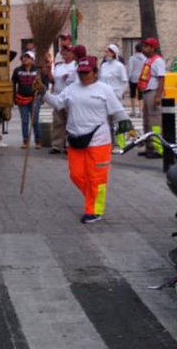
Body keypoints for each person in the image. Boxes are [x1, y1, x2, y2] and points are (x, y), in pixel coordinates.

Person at [42, 55, 133, 224]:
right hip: (75, 139)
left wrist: (128, 126)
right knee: (76, 175)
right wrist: (43, 93)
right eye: (81, 72)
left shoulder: (104, 90)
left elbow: (118, 111)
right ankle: (93, 198)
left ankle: (94, 211)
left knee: (96, 178)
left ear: (95, 72)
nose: (83, 75)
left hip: (99, 141)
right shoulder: (71, 89)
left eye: (87, 72)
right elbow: (57, 103)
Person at [50, 44, 84, 153]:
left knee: (70, 122)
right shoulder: (59, 66)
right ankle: (57, 145)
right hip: (58, 96)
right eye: (63, 52)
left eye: (67, 52)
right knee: (58, 122)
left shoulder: (76, 66)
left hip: (71, 97)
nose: (65, 54)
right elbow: (53, 80)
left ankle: (69, 144)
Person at [136, 37, 166, 157]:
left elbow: (162, 79)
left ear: (153, 48)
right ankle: (149, 146)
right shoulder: (148, 60)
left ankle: (157, 148)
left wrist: (158, 96)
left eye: (147, 46)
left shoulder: (158, 61)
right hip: (146, 92)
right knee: (147, 121)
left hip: (153, 92)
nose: (144, 49)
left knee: (155, 122)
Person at [100, 43, 129, 148]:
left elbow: (125, 82)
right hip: (104, 97)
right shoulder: (103, 66)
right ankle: (109, 143)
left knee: (118, 120)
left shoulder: (119, 66)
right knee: (107, 121)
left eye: (107, 52)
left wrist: (119, 94)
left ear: (113, 53)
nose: (105, 54)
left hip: (116, 96)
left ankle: (121, 144)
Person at [12, 51, 44, 148]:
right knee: (24, 121)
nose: (25, 59)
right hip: (22, 98)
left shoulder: (38, 71)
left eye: (28, 57)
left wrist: (41, 96)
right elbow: (13, 84)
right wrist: (14, 97)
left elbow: (43, 85)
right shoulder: (17, 70)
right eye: (24, 57)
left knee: (35, 121)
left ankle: (38, 141)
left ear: (32, 60)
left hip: (35, 98)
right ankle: (25, 141)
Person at [127, 42, 146, 118]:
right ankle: (141, 112)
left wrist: (129, 77)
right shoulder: (144, 58)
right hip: (141, 78)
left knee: (132, 94)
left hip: (133, 78)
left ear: (135, 49)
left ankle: (133, 111)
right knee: (141, 96)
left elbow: (130, 69)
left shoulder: (132, 58)